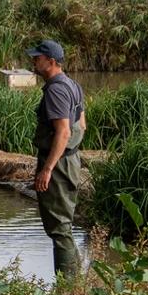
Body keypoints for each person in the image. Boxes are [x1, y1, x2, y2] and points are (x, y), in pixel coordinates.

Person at [28, 39, 87, 277]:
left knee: (59, 229)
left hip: (59, 164)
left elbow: (64, 132)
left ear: (51, 62)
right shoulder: (72, 84)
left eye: (38, 58)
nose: (33, 61)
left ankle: (68, 287)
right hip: (70, 160)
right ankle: (74, 281)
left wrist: (48, 169)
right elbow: (82, 125)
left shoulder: (56, 90)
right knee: (63, 227)